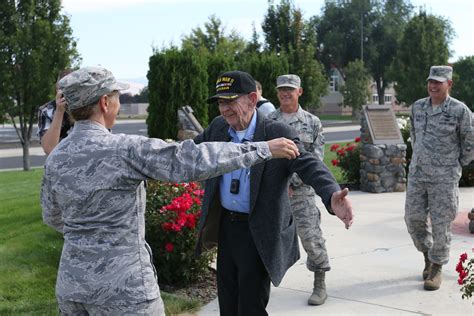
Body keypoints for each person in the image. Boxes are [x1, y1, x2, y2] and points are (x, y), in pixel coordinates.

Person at [40, 67, 301, 315]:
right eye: (117, 98)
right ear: (104, 104)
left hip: (72, 286)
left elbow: (52, 216)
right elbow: (190, 160)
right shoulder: (124, 150)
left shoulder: (56, 158)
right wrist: (263, 149)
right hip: (124, 289)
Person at [194, 70, 354, 315]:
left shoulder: (275, 132)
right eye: (220, 102)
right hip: (227, 227)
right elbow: (190, 154)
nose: (224, 109)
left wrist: (331, 195)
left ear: (252, 98)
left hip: (258, 230)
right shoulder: (218, 128)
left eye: (230, 101)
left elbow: (309, 164)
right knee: (227, 302)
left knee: (251, 306)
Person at [404, 65, 474, 291]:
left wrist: (454, 166)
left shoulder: (459, 111)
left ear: (449, 84)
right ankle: (427, 254)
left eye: (438, 82)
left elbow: (470, 143)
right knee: (413, 219)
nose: (433, 86)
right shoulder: (418, 107)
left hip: (444, 178)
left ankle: (436, 266)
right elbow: (414, 136)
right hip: (418, 175)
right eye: (431, 81)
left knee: (442, 224)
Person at [267, 74, 329, 305]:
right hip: (273, 191)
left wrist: (292, 182)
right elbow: (263, 157)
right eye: (282, 89)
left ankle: (320, 281)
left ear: (299, 92)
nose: (285, 93)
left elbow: (315, 160)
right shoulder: (268, 120)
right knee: (266, 235)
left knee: (311, 236)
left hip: (302, 191)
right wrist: (281, 183)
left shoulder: (312, 122)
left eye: (290, 90)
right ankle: (260, 281)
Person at [37, 69, 74, 154]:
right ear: (57, 88)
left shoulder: (88, 106)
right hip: (60, 162)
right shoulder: (47, 110)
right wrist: (59, 111)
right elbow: (49, 148)